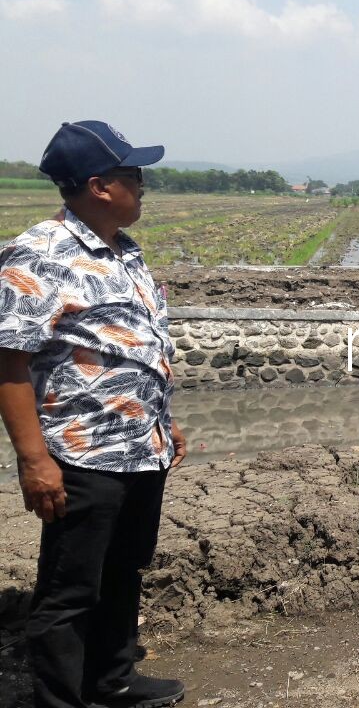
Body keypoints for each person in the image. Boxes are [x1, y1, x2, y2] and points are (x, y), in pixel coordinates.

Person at [0, 121, 188, 708]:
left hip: (141, 446)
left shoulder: (124, 250)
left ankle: (112, 683)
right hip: (82, 453)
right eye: (134, 175)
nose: (143, 186)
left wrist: (163, 420)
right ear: (99, 186)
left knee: (124, 571)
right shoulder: (38, 255)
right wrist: (35, 462)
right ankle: (60, 700)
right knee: (69, 590)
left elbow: (134, 346)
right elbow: (8, 365)